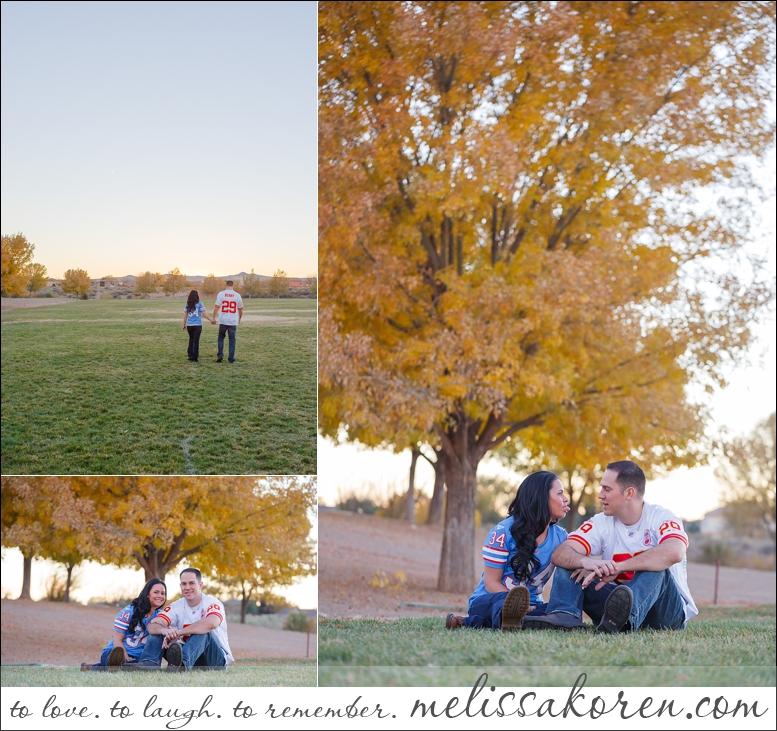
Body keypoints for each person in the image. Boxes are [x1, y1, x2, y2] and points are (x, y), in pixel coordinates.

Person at [523, 460, 697, 633]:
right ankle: (564, 614)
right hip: (612, 616)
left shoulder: (661, 517)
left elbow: (674, 552)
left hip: (665, 614)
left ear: (629, 493)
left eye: (607, 489)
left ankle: (626, 620)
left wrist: (619, 568)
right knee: (571, 562)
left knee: (659, 568)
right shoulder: (601, 522)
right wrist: (586, 562)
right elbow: (560, 553)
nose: (600, 495)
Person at [446, 471, 570, 631]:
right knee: (505, 606)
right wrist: (518, 605)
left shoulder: (561, 538)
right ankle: (515, 619)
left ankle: (474, 622)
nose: (566, 498)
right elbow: (491, 583)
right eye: (559, 493)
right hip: (491, 600)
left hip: (533, 605)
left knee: (559, 611)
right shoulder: (502, 532)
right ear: (541, 498)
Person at [124, 567, 233, 671]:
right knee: (159, 631)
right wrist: (165, 631)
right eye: (184, 584)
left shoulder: (212, 602)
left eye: (191, 583)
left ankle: (181, 665)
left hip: (214, 660)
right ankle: (149, 662)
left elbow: (211, 623)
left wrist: (178, 633)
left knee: (204, 632)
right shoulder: (177, 606)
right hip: (192, 656)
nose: (187, 587)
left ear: (200, 585)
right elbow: (152, 625)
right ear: (180, 586)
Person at [81, 578, 167, 671]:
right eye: (156, 592)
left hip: (137, 657)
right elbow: (117, 640)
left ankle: (91, 667)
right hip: (116, 650)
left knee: (135, 667)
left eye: (163, 593)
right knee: (114, 659)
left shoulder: (161, 616)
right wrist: (125, 657)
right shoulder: (129, 611)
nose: (160, 596)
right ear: (147, 594)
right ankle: (115, 664)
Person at [213, 280, 244, 363]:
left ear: (226, 285)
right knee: (232, 340)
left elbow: (216, 307)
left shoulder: (221, 294)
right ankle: (231, 358)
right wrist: (240, 317)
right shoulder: (237, 295)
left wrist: (213, 317)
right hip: (232, 320)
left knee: (221, 338)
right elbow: (240, 309)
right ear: (233, 285)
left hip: (223, 320)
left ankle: (220, 354)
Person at [182, 289, 215, 362]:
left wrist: (184, 324)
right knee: (196, 341)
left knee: (191, 339)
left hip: (190, 325)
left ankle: (190, 355)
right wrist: (211, 320)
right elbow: (204, 314)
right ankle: (195, 357)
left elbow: (185, 315)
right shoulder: (200, 303)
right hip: (197, 324)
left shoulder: (188, 304)